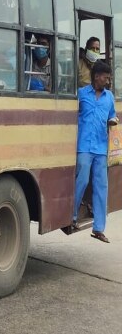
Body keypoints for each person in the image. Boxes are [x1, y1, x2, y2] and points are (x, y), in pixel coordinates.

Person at [72, 60, 118, 243]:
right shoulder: (81, 94)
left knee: (101, 188)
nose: (107, 81)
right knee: (81, 181)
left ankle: (98, 228)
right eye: (105, 77)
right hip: (83, 146)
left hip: (101, 148)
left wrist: (113, 120)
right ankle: (72, 217)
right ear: (96, 76)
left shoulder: (109, 97)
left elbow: (112, 114)